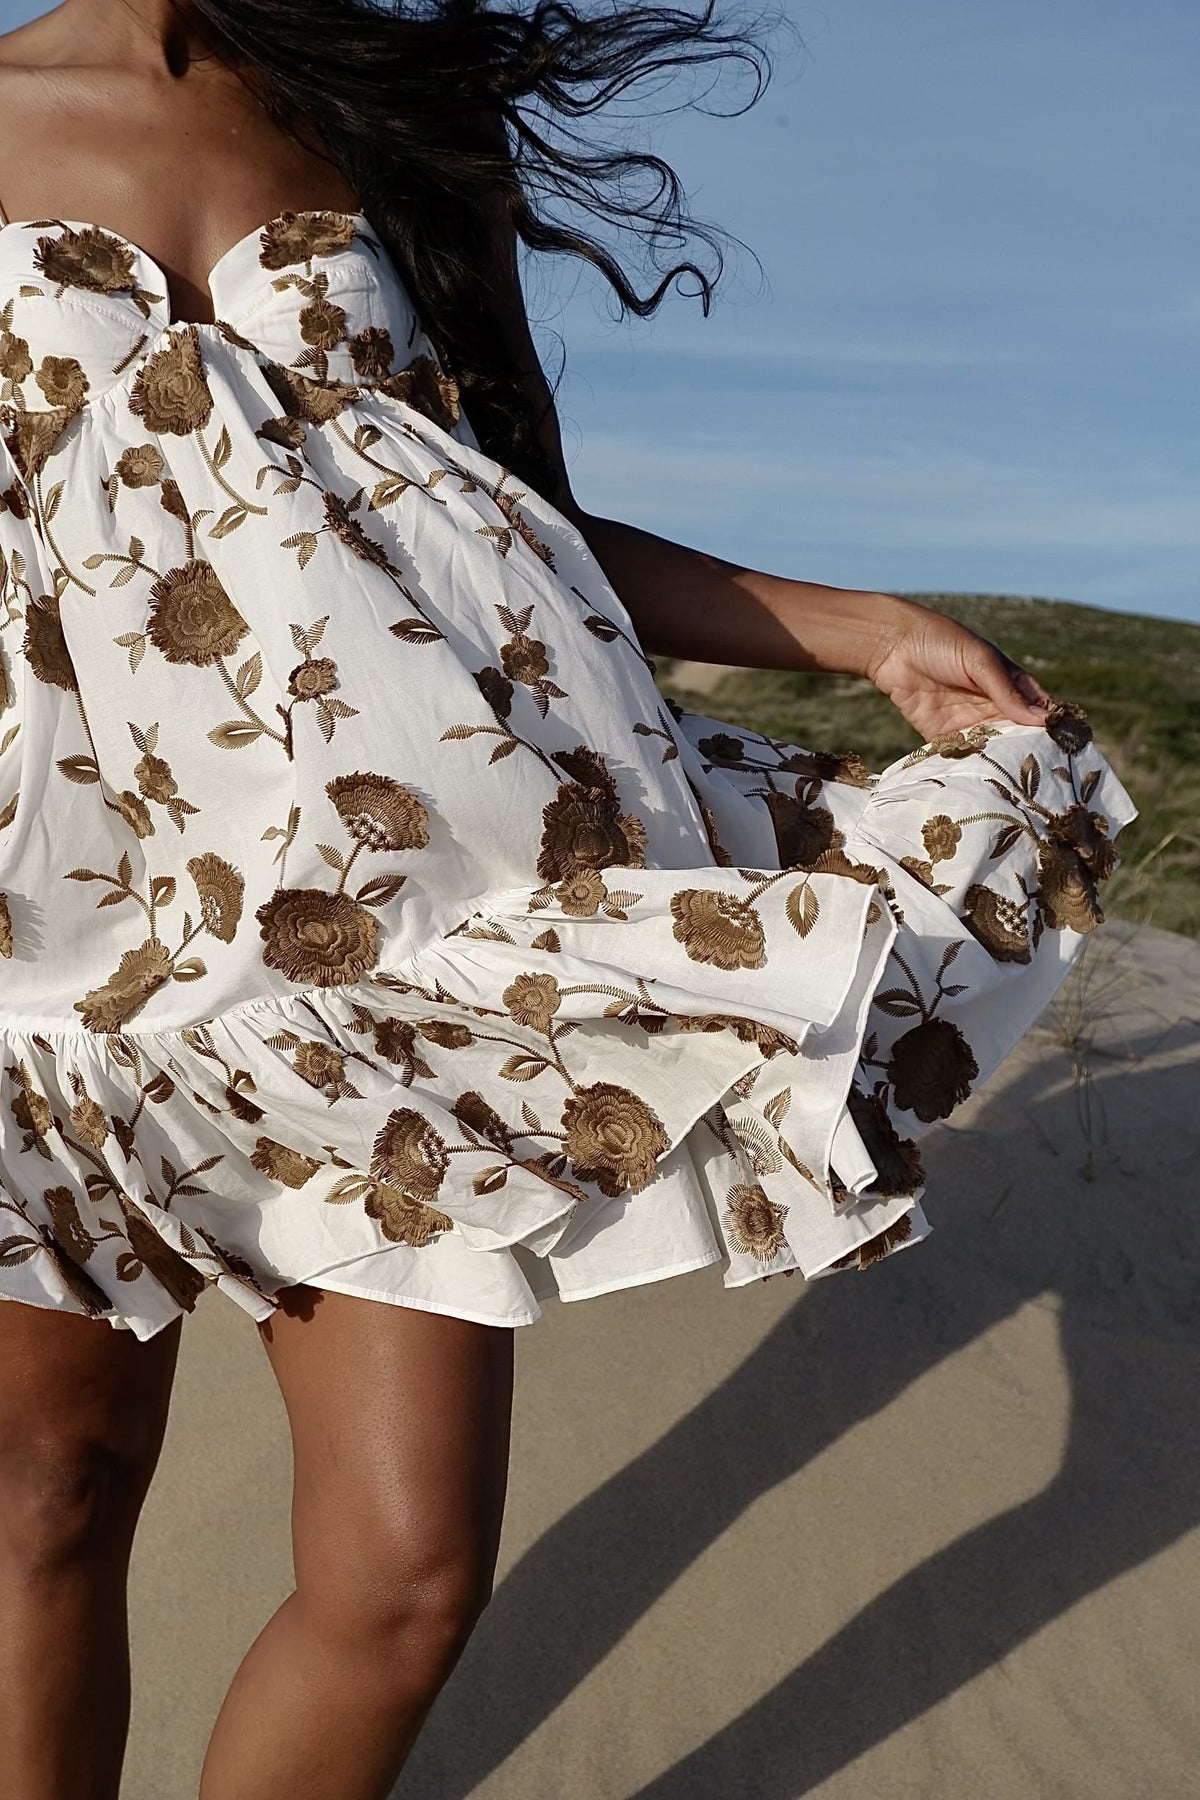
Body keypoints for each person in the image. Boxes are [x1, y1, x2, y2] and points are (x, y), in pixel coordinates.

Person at [0, 1, 1136, 1794]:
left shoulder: (391, 121)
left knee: (404, 1577)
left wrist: (861, 627)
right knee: (48, 1498)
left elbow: (503, 523)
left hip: (407, 928)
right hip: (52, 927)